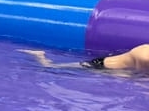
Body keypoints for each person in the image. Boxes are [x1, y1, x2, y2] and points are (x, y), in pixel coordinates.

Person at [20, 44, 149, 71]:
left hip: (113, 66)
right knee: (50, 67)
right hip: (99, 66)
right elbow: (140, 78)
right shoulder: (144, 56)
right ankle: (40, 55)